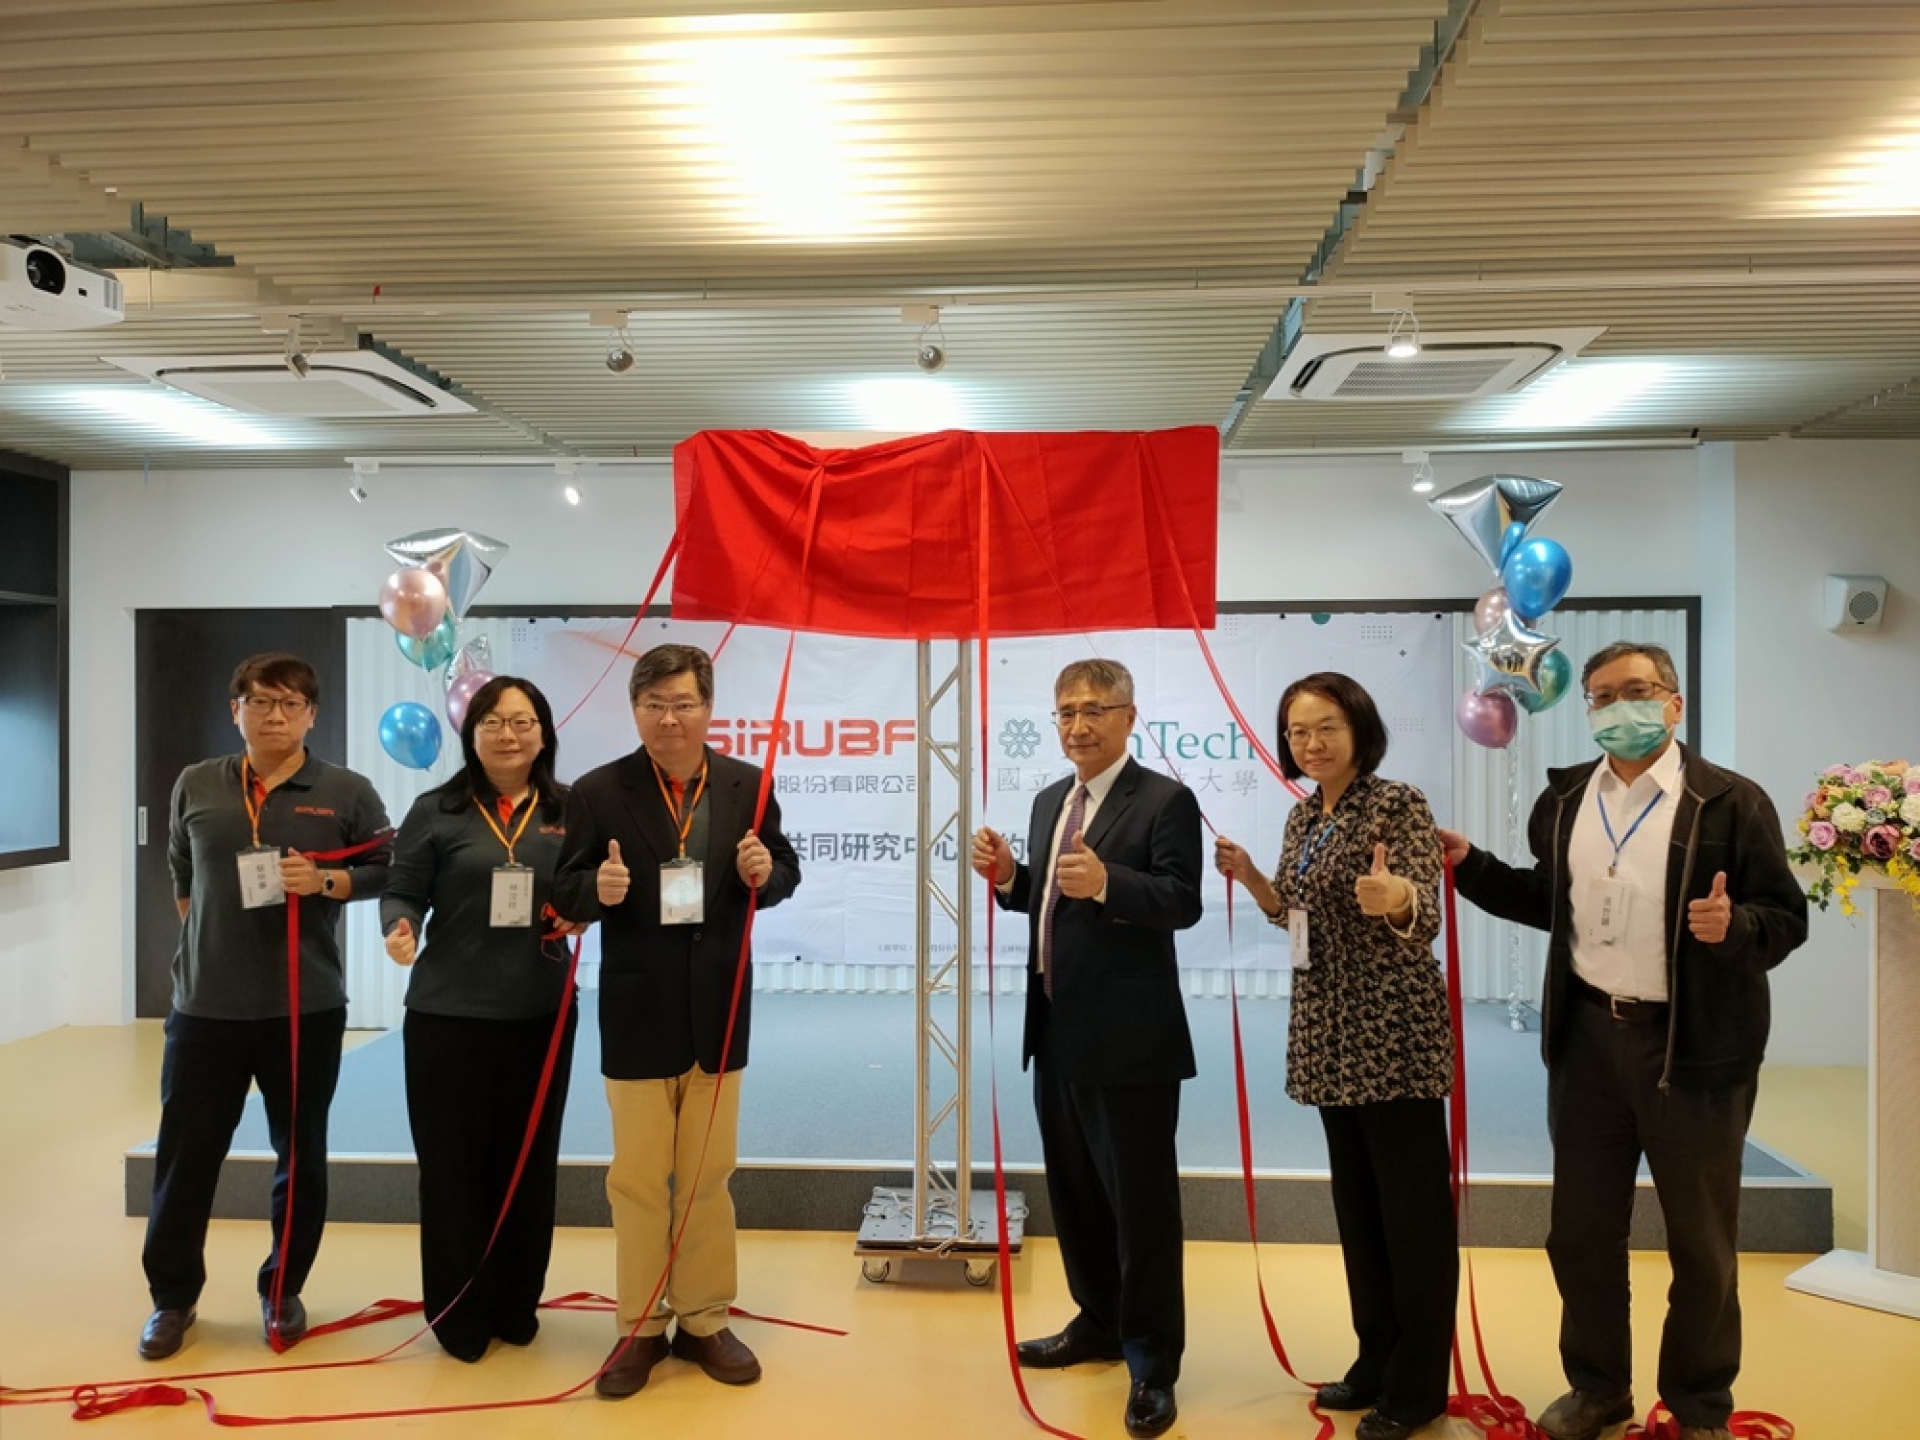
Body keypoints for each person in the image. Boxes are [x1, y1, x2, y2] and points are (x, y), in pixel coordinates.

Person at [1438, 641, 1808, 1440]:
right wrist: (1473, 867)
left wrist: (1736, 927)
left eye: (1636, 690)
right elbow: (1551, 899)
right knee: (1580, 1235)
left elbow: (1786, 919)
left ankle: (1700, 1405)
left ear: (1674, 703)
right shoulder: (1566, 798)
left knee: (1701, 1245)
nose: (1618, 707)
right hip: (1587, 1046)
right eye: (1602, 697)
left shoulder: (1731, 802)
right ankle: (1598, 1387)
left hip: (1694, 1053)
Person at [551, 643, 800, 1399]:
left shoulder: (748, 785)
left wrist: (768, 875)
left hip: (720, 1009)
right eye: (655, 704)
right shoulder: (598, 791)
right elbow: (566, 887)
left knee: (706, 1179)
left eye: (683, 703)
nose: (670, 718)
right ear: (635, 710)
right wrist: (597, 889)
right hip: (638, 1012)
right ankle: (639, 1326)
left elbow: (784, 868)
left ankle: (703, 1319)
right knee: (636, 1182)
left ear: (708, 708)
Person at [1213, 672, 1457, 1440]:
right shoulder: (1302, 816)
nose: (1310, 743)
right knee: (1360, 1210)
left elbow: (1423, 912)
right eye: (1297, 731)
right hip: (1329, 1032)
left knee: (1413, 1219)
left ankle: (1419, 1386)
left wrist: (1400, 899)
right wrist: (1255, 879)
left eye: (1326, 727)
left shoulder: (1397, 804)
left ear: (1360, 730)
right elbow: (1298, 918)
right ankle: (1376, 1358)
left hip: (1393, 1034)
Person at [970, 658, 1202, 1440]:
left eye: (1094, 710)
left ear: (1129, 717)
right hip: (1056, 1028)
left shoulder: (1165, 800)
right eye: (1066, 712)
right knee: (1075, 1194)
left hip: (1132, 1039)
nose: (1078, 725)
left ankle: (1153, 1365)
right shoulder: (1050, 801)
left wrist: (1109, 883)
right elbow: (1048, 897)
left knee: (1141, 1208)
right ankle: (1098, 1322)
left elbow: (1182, 901)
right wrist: (1012, 877)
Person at [141, 652, 390, 1361]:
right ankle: (172, 1299)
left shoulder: (345, 791)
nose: (274, 716)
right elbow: (182, 877)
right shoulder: (197, 783)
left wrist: (326, 883)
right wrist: (213, 949)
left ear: (312, 715)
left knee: (300, 1156)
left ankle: (282, 1290)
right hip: (205, 1010)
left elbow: (387, 866)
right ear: (236, 710)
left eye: (290, 704)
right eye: (260, 702)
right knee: (185, 1159)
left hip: (304, 1009)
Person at [380, 676, 586, 1362]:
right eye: (493, 721)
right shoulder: (435, 809)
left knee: (527, 1166)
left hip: (541, 1015)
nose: (508, 734)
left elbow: (588, 888)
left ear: (544, 734)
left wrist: (584, 910)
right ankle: (459, 1313)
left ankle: (516, 1302)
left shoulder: (570, 809)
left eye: (523, 721)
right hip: (448, 1018)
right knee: (452, 1170)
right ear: (471, 734)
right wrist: (401, 926)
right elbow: (403, 889)